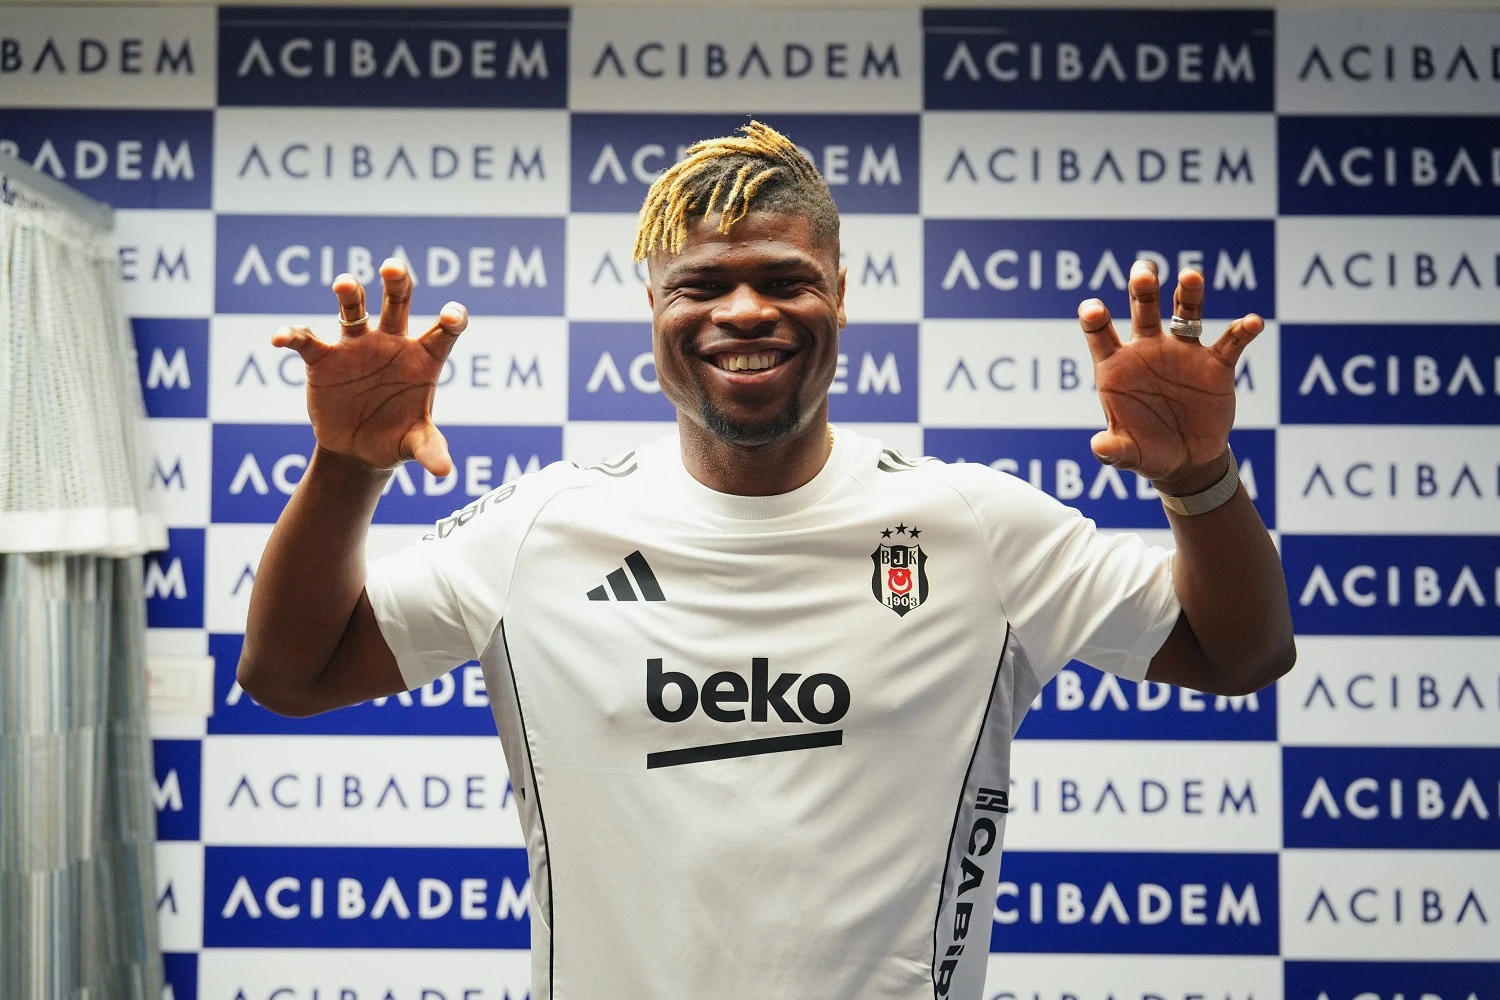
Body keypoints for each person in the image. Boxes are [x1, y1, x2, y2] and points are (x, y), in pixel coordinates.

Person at [239, 122, 1294, 1000]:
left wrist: (1201, 479)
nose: (745, 311)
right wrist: (346, 467)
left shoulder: (977, 527)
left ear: (840, 294)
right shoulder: (540, 528)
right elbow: (291, 672)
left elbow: (1240, 652)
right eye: (701, 283)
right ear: (656, 312)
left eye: (786, 279)